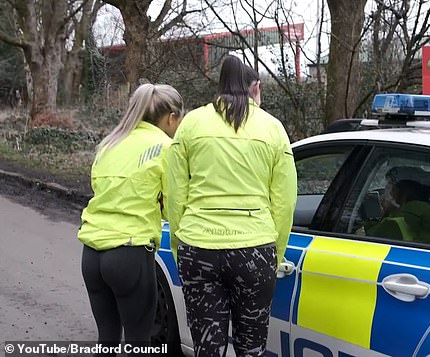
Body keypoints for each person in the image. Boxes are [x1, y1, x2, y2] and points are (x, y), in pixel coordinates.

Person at [166, 55, 297, 357]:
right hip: (255, 249)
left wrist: (179, 245)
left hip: (199, 247)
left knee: (207, 348)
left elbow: (175, 194)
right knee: (251, 348)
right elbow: (285, 200)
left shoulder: (191, 125)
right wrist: (273, 254)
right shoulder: (273, 128)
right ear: (256, 88)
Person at [78, 83, 184, 353]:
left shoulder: (109, 144)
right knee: (139, 340)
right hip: (129, 254)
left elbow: (102, 190)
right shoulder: (165, 147)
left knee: (108, 338)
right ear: (171, 117)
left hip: (91, 254)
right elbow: (173, 207)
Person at [365, 177, 430, 244]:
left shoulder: (399, 219)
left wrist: (387, 213)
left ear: (399, 195)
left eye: (390, 192)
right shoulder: (429, 209)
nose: (382, 197)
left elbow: (371, 236)